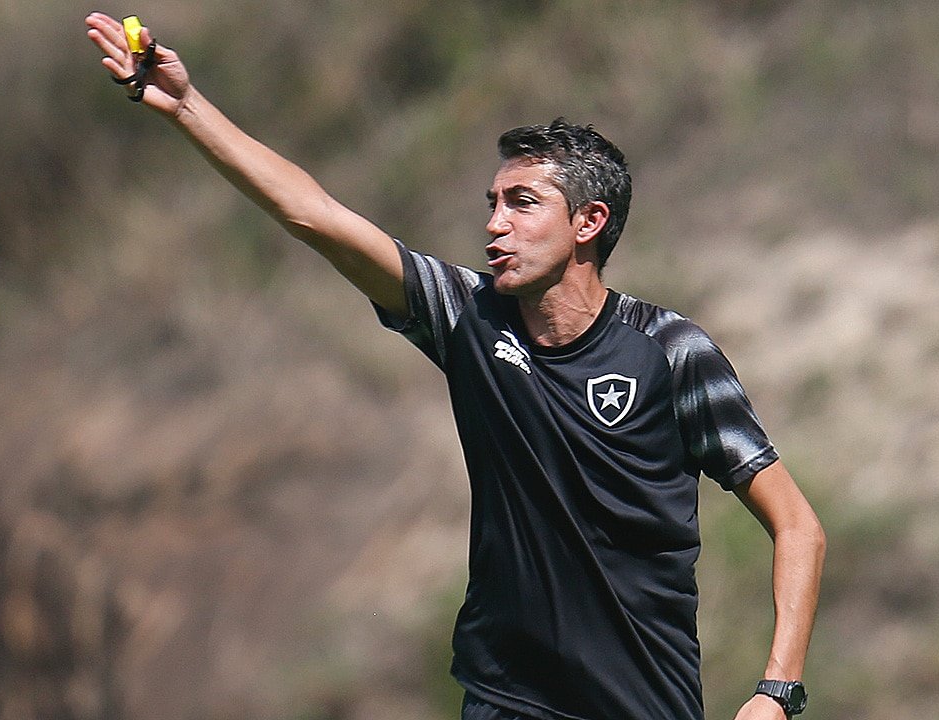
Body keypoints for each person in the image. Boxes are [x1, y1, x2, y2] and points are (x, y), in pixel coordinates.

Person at [85, 13, 826, 720]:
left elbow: (797, 525)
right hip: (504, 698)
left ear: (588, 224)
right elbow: (316, 215)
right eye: (492, 201)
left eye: (522, 203)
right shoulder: (468, 316)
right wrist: (188, 109)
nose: (494, 222)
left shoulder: (672, 353)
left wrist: (776, 688)